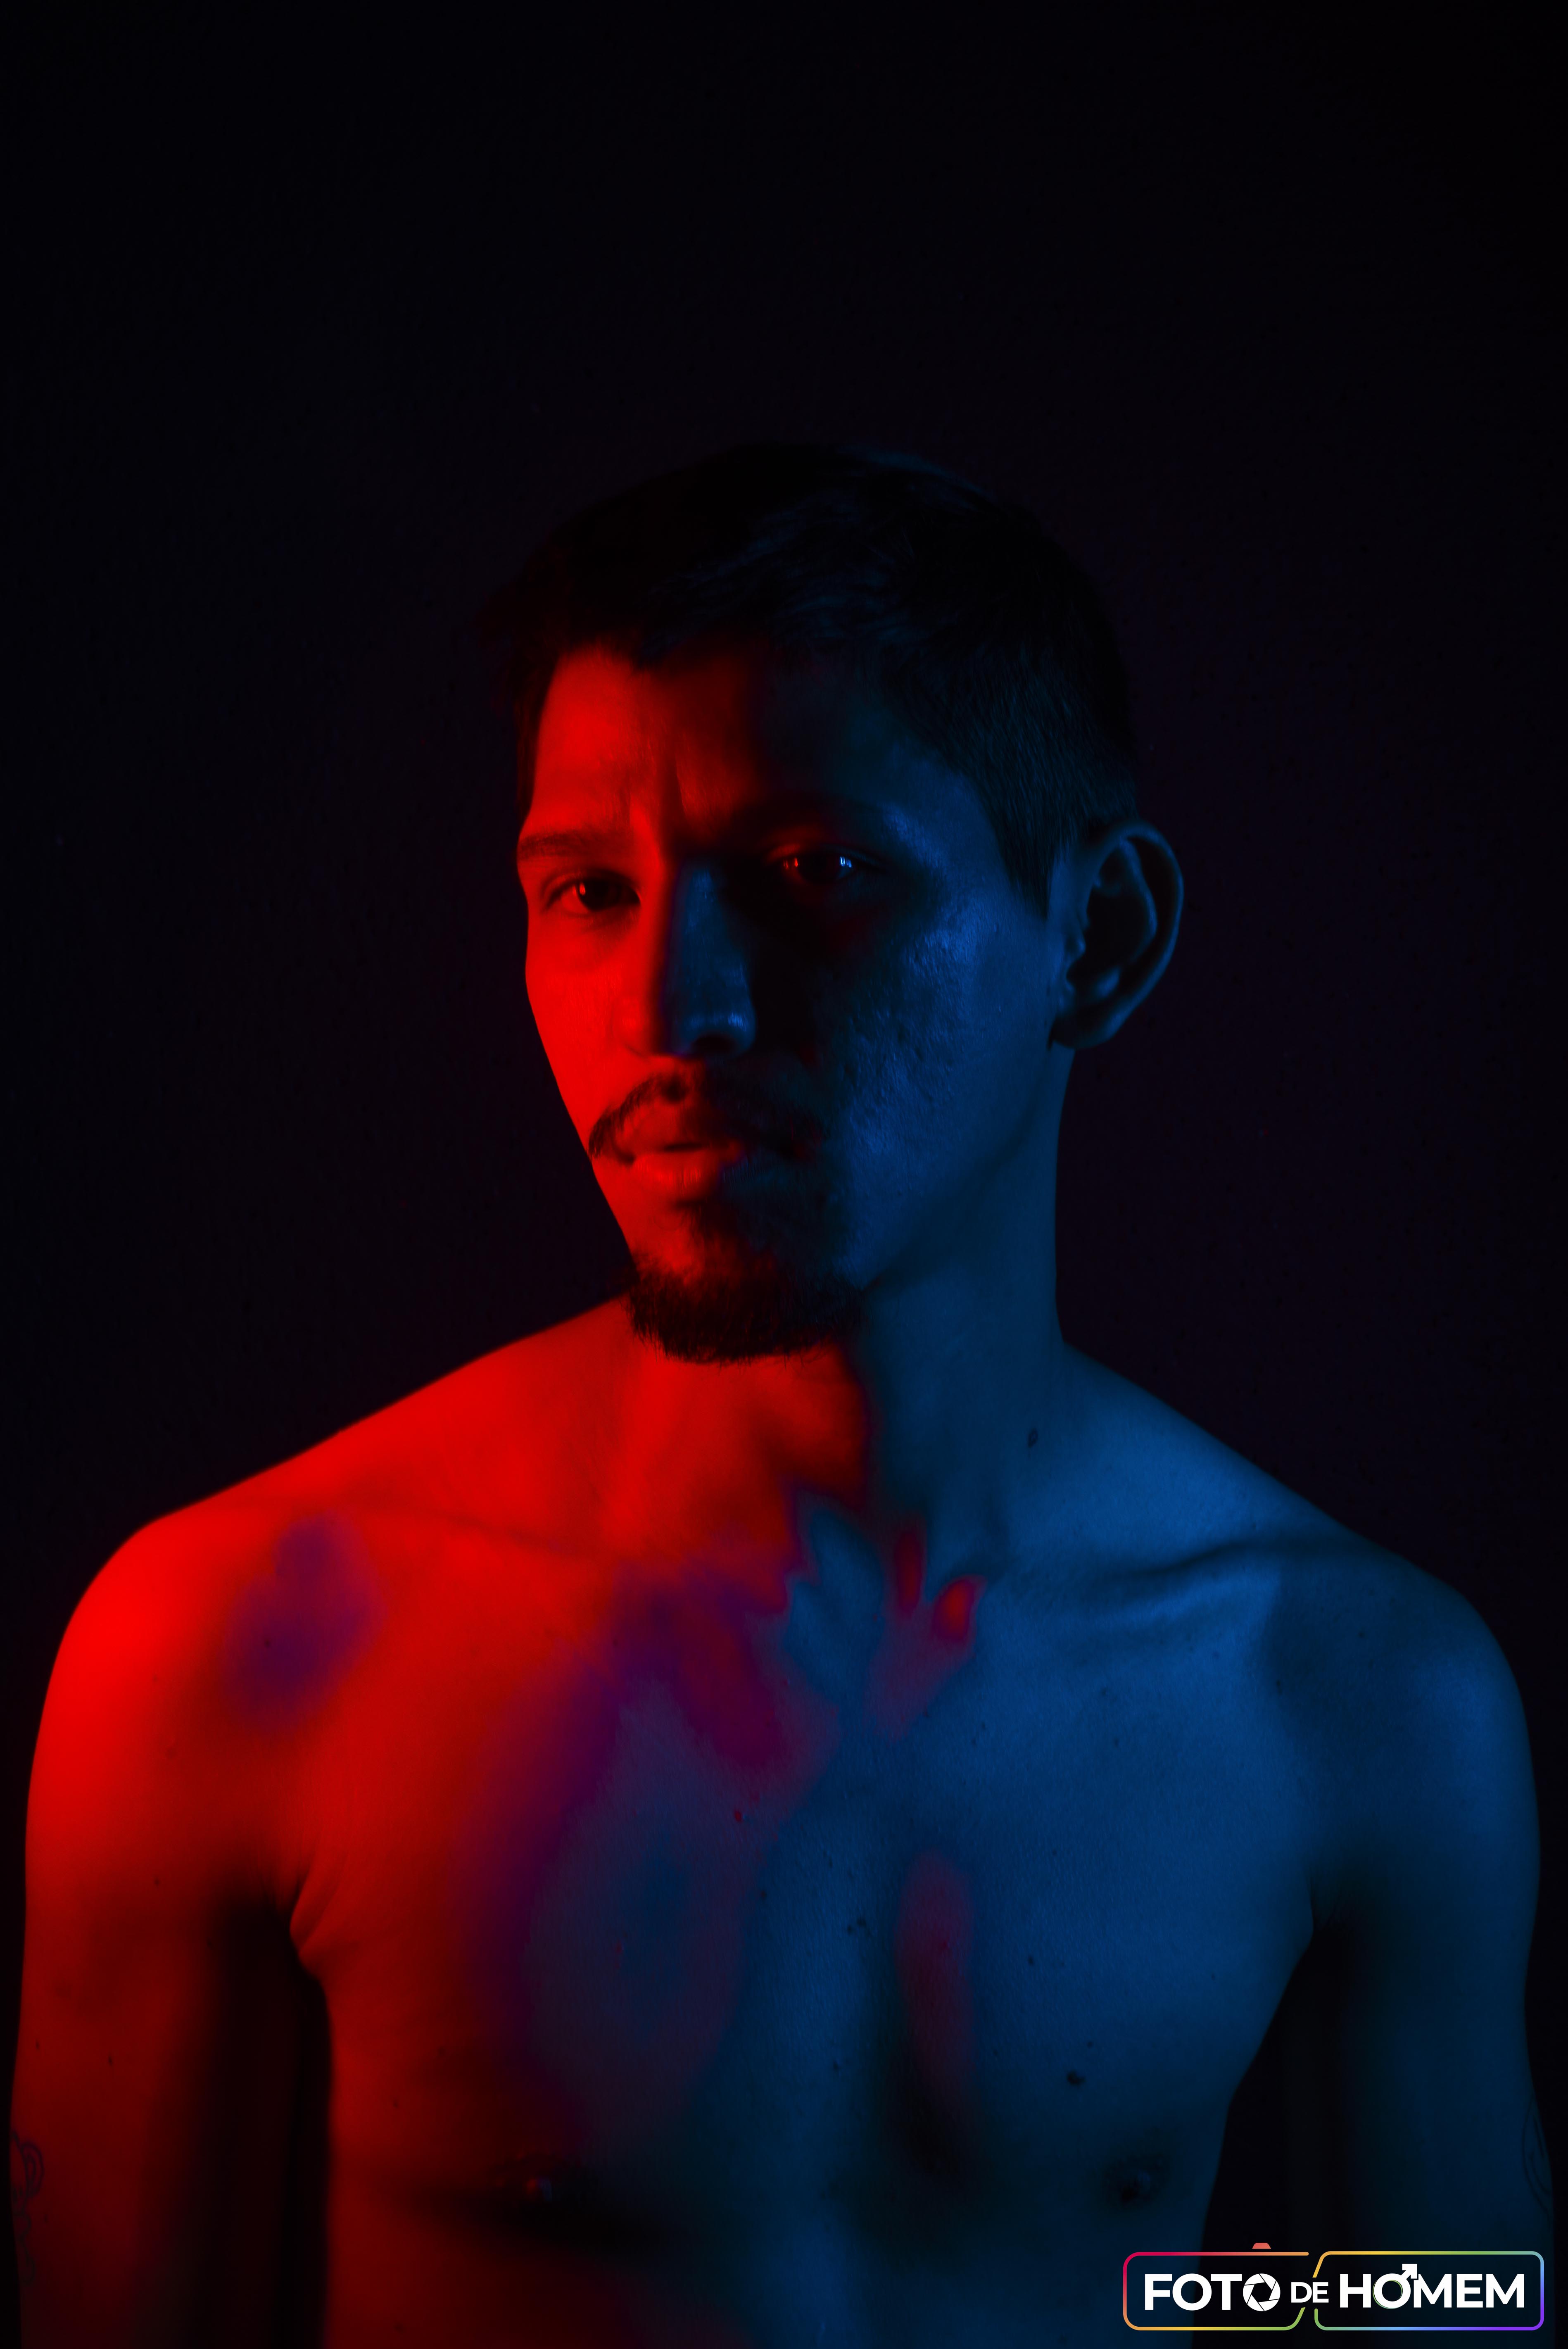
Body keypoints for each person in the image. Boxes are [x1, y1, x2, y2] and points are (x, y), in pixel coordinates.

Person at [10, 446, 1551, 2346]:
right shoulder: (247, 1649)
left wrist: (1144, 2296)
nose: (674, 1011)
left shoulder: (1348, 1698)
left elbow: (1444, 2308)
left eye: (817, 874)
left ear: (1097, 940)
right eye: (588, 889)